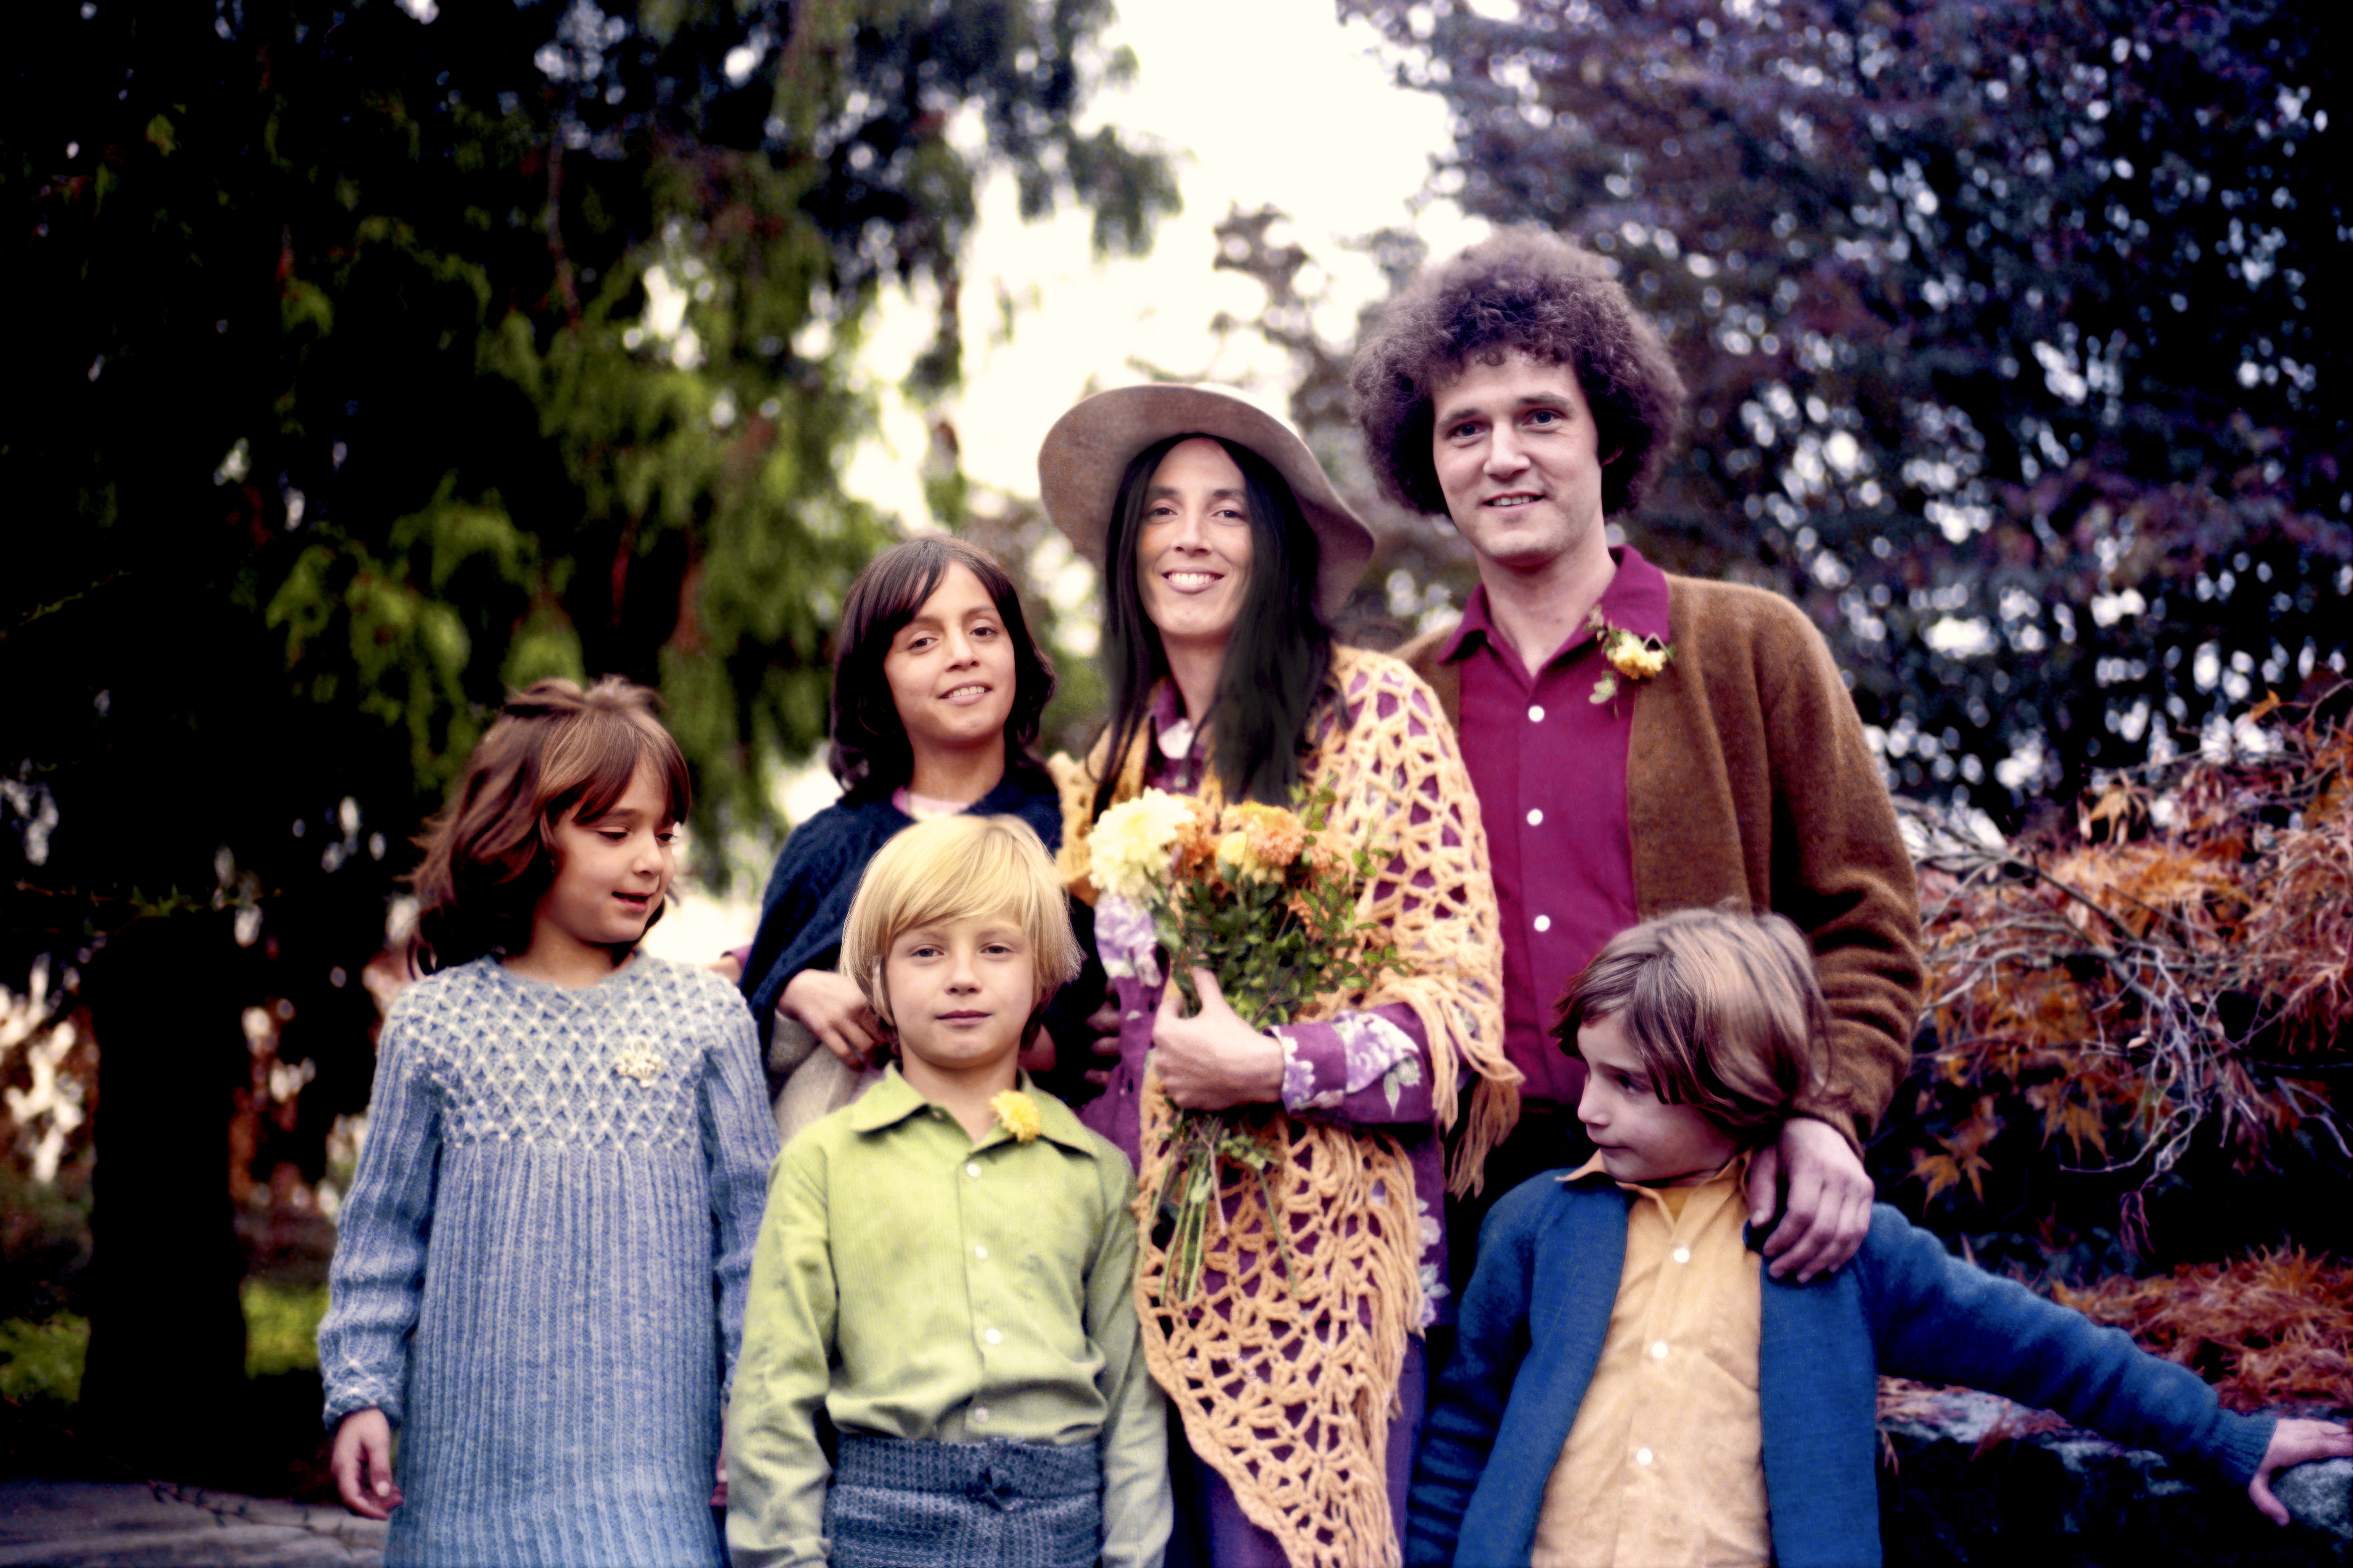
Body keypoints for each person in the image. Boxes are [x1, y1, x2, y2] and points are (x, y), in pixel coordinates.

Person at [1405, 906, 2353, 1568]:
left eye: (1628, 1084)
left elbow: (2047, 1350)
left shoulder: (1835, 1250)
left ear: (1734, 1088)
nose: (1589, 1108)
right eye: (1588, 1070)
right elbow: (1461, 1430)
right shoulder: (1533, 1226)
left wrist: (2217, 1436)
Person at [1350, 229, 1923, 1287]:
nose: (1501, 456)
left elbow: (1863, 926)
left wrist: (1822, 1112)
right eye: (1464, 427)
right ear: (1426, 459)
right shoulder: (1395, 698)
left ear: (1606, 434)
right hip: (1460, 1221)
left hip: (1716, 1196)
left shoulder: (1751, 646)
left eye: (1539, 416)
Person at [1037, 382, 1516, 1568]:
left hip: (1311, 1279)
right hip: (1126, 1275)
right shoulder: (1116, 762)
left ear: (1279, 544)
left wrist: (1273, 1065)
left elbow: (1456, 1019)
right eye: (1161, 511)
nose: (1189, 539)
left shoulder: (1374, 715)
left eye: (1227, 512)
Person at [317, 677, 777, 1565]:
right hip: (466, 1498)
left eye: (664, 834)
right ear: (526, 832)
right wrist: (362, 1390)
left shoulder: (704, 1021)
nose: (650, 860)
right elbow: (383, 1235)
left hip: (656, 1494)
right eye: (615, 832)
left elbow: (752, 1244)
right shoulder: (434, 1024)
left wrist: (753, 1401)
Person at [725, 814, 1170, 1568]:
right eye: (926, 951)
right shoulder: (821, 1165)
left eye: (996, 949)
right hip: (881, 1533)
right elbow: (774, 1398)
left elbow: (1132, 1406)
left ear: (1044, 976)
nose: (963, 976)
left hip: (1059, 1536)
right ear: (877, 980)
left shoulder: (1095, 1172)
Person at [735, 537, 1099, 1119]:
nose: (962, 654)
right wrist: (794, 990)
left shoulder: (1069, 832)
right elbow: (748, 1020)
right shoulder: (825, 847)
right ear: (877, 679)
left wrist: (898, 1016)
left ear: (1017, 653)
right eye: (922, 641)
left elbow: (1077, 1037)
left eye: (984, 631)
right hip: (832, 1151)